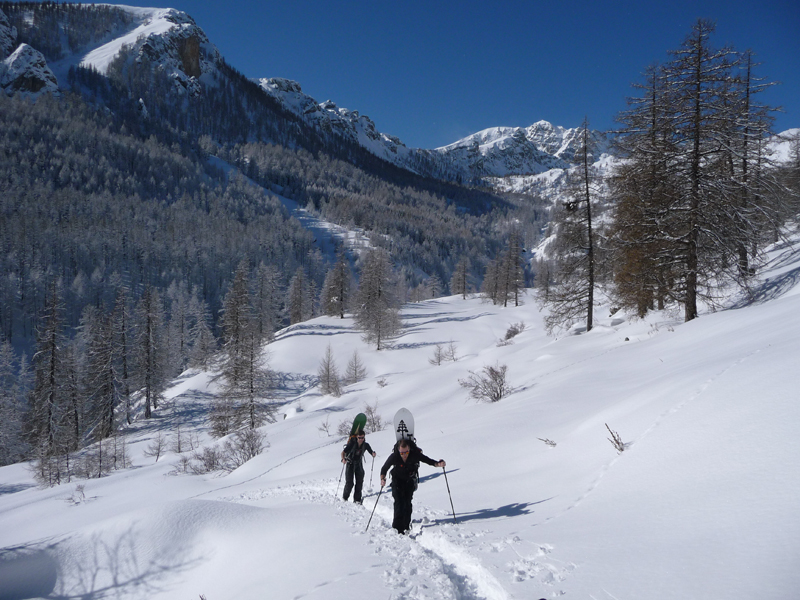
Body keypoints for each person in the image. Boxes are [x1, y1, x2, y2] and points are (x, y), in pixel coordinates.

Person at [380, 438, 445, 534]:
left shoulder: (414, 455)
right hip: (397, 481)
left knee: (407, 503)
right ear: (398, 451)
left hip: (409, 481)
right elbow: (384, 468)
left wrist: (438, 464)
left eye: (406, 452)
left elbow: (428, 460)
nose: (404, 455)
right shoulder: (395, 456)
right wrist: (382, 478)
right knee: (398, 503)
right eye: (402, 453)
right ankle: (397, 529)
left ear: (409, 449)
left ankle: (406, 526)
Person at [340, 429, 376, 504]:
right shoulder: (352, 444)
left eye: (362, 438)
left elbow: (371, 451)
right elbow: (343, 452)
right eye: (359, 438)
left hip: (359, 464)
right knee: (349, 483)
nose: (361, 439)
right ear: (357, 438)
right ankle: (344, 498)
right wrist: (343, 459)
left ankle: (357, 500)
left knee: (359, 482)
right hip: (350, 464)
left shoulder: (365, 445)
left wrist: (373, 454)